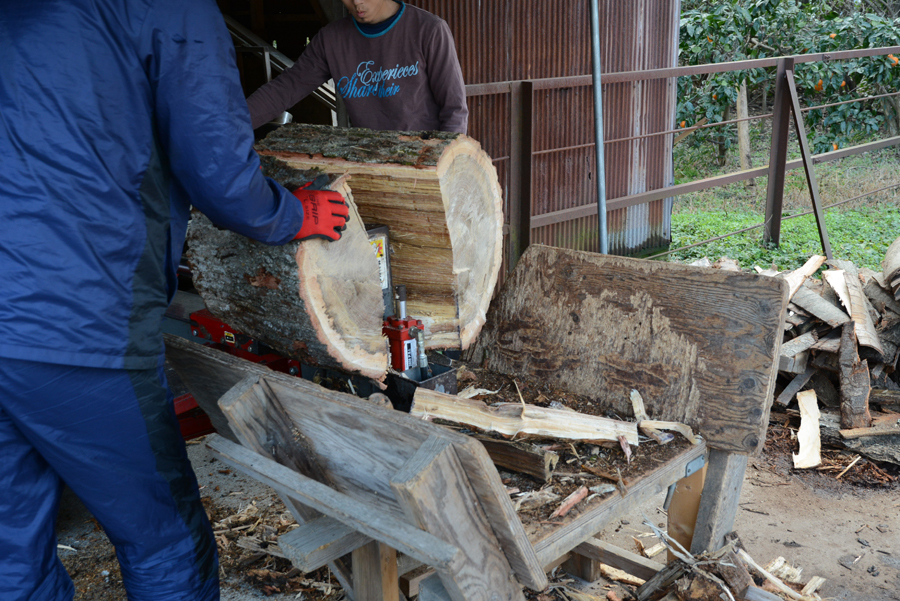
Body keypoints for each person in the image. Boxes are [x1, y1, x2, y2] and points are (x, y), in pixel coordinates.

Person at [0, 1, 349, 600]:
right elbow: (217, 167)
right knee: (163, 536)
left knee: (10, 545)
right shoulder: (172, 8)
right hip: (78, 322)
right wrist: (294, 213)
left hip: (25, 304)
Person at [247, 0, 468, 134]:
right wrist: (232, 124)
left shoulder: (429, 30)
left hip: (424, 164)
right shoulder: (332, 39)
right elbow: (286, 88)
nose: (357, 3)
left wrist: (443, 168)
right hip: (365, 161)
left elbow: (454, 110)